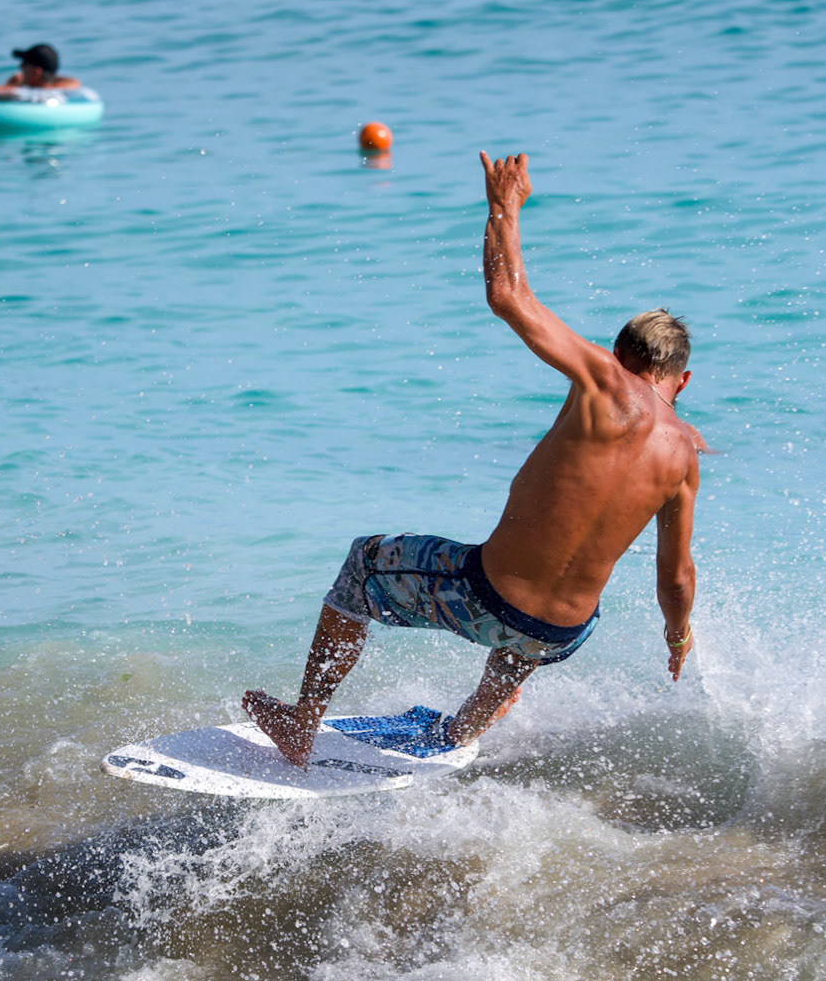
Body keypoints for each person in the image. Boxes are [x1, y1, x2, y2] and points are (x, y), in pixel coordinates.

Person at [242, 152, 703, 763]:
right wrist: (678, 637)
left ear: (616, 354)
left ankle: (302, 722)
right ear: (683, 380)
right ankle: (465, 729)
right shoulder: (685, 456)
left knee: (364, 562)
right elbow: (675, 578)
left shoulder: (602, 377)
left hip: (487, 599)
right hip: (563, 635)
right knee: (529, 632)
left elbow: (507, 295)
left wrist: (504, 206)